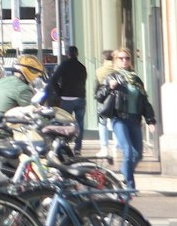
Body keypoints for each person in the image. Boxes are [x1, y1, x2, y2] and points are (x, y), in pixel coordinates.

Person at [97, 48, 156, 189]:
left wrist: (150, 120)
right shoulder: (112, 77)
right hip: (120, 119)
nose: (124, 61)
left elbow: (144, 101)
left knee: (138, 155)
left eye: (127, 58)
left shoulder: (135, 80)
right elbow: (99, 95)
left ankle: (125, 170)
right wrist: (109, 88)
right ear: (116, 60)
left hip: (135, 120)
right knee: (128, 151)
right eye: (121, 58)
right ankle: (130, 186)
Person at [42, 46, 90, 156]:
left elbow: (53, 80)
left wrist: (60, 93)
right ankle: (77, 148)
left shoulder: (64, 65)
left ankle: (64, 145)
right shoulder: (82, 67)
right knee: (80, 124)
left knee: (64, 124)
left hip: (66, 99)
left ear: (67, 54)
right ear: (77, 54)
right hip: (80, 98)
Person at [93, 49, 117, 161]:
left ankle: (104, 148)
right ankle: (116, 147)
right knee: (115, 122)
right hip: (116, 99)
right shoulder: (116, 69)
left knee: (102, 123)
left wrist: (96, 95)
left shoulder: (99, 71)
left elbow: (96, 85)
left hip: (103, 99)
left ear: (103, 58)